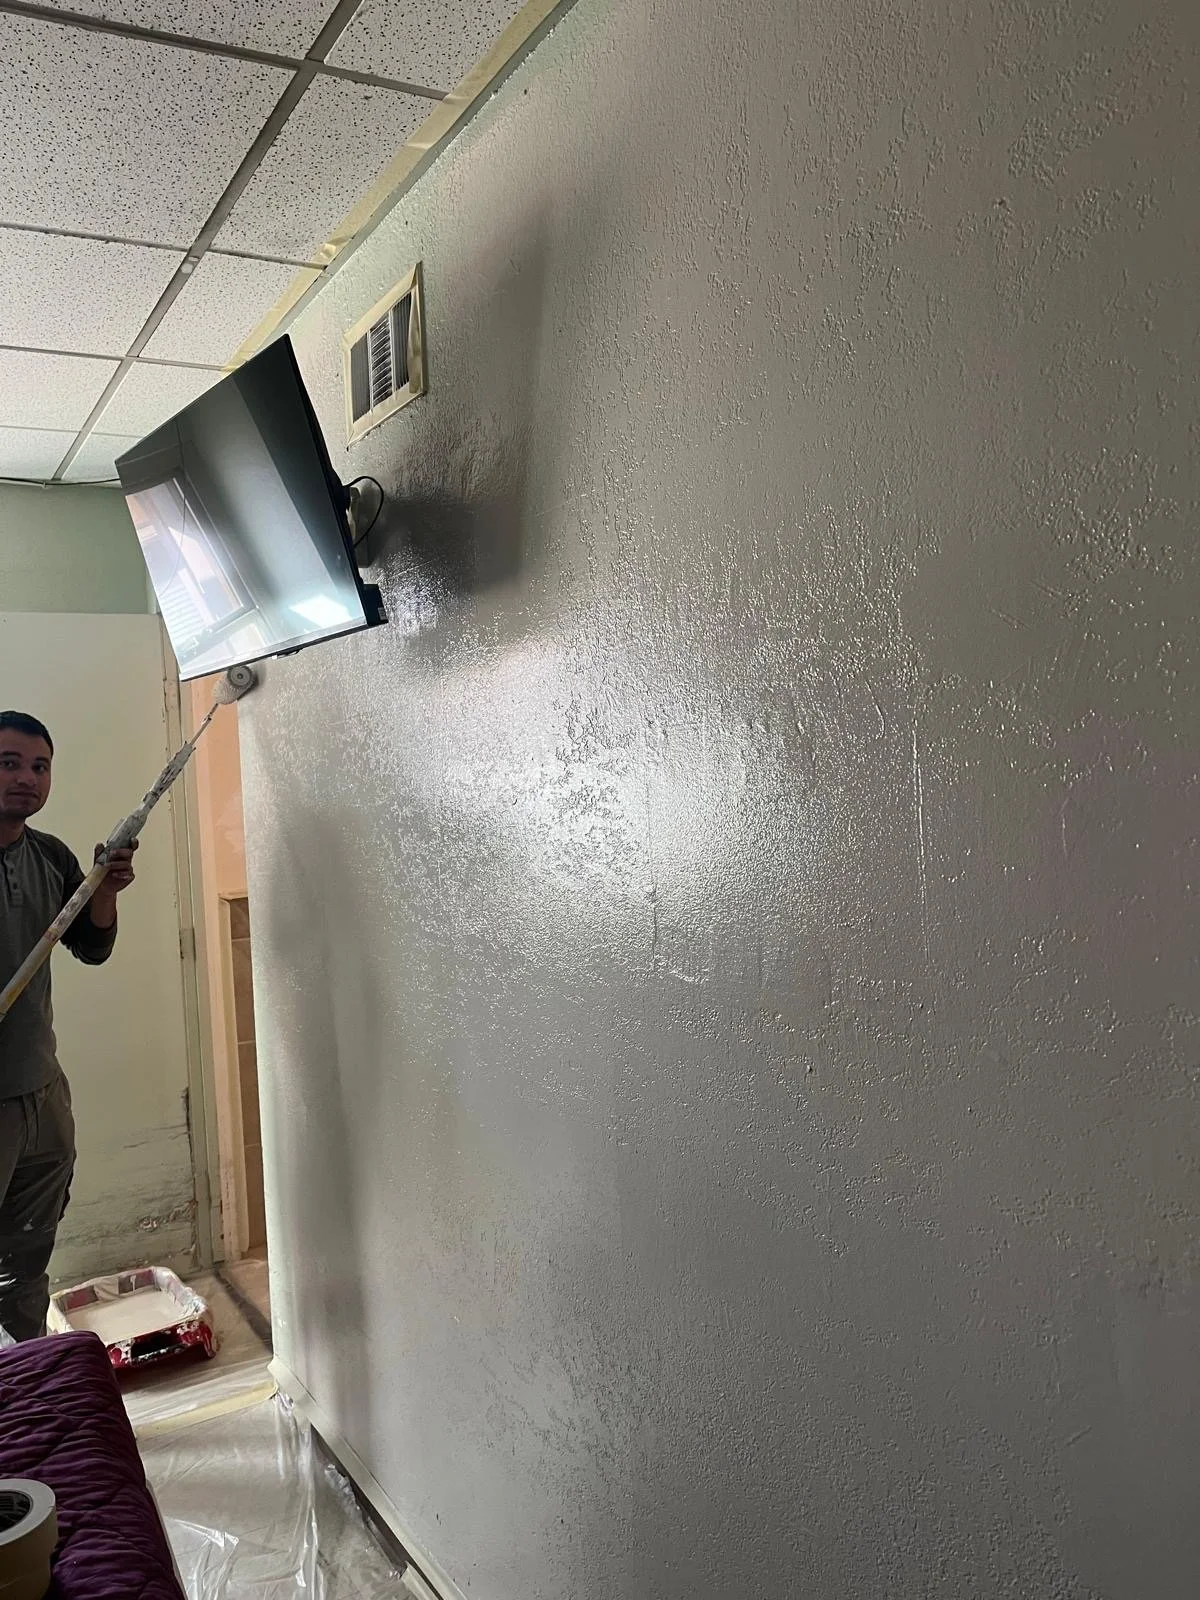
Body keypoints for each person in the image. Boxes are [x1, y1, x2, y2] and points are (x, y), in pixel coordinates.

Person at [0, 710, 137, 1343]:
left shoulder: (50, 855)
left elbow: (91, 946)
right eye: (9, 764)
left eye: (39, 766)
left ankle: (27, 1381)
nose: (26, 778)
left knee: (27, 1259)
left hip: (42, 1093)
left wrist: (104, 889)